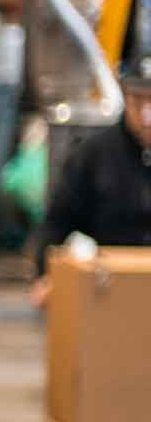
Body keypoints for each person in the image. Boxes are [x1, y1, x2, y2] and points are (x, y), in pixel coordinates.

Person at [30, 55, 151, 304]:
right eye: (139, 101)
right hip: (109, 288)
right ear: (126, 99)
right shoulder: (95, 154)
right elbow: (56, 223)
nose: (147, 115)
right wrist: (46, 274)